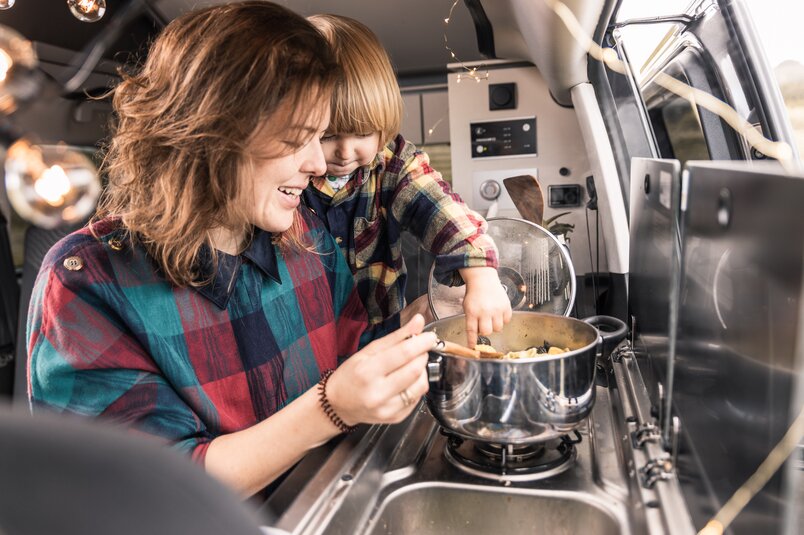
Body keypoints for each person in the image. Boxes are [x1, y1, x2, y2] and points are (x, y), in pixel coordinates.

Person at [26, 1, 436, 499]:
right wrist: (331, 408)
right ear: (215, 134)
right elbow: (149, 490)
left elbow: (355, 357)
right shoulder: (87, 283)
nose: (318, 165)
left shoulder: (307, 240)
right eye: (299, 139)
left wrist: (427, 318)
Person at [305, 14, 512, 348]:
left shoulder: (393, 163)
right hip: (306, 348)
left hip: (381, 336)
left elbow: (442, 210)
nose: (344, 152)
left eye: (362, 133)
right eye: (326, 136)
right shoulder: (289, 179)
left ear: (383, 125)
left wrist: (482, 275)